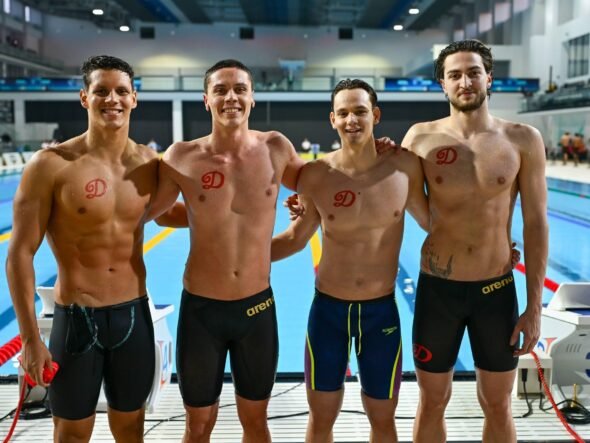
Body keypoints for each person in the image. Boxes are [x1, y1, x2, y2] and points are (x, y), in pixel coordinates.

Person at [6, 55, 175, 442]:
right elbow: (19, 255)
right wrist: (31, 339)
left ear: (134, 98)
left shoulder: (150, 164)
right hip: (76, 319)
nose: (111, 99)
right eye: (101, 91)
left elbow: (184, 212)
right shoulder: (50, 165)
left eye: (120, 91)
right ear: (84, 97)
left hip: (133, 317)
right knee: (71, 432)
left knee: (131, 430)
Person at [148, 59, 306, 443]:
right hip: (202, 310)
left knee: (256, 422)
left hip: (256, 310)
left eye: (239, 89)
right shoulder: (182, 156)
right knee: (198, 425)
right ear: (206, 100)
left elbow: (317, 188)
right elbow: (159, 213)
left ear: (252, 98)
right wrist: (206, 213)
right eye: (220, 90)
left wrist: (374, 149)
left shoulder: (276, 147)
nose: (231, 97)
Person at [401, 40, 548, 443]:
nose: (464, 81)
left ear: (489, 78)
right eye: (454, 75)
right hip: (438, 292)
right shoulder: (419, 138)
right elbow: (390, 198)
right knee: (431, 402)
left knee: (499, 404)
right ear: (442, 85)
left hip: (496, 292)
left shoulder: (522, 139)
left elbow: (536, 224)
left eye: (472, 72)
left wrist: (535, 307)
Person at [272, 79, 429, 443]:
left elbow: (433, 223)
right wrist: (245, 258)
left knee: (383, 419)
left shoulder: (403, 167)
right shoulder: (316, 175)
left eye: (360, 111)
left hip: (381, 313)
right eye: (343, 113)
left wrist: (497, 244)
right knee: (321, 418)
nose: (351, 120)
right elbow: (296, 238)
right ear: (332, 120)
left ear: (375, 115)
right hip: (328, 312)